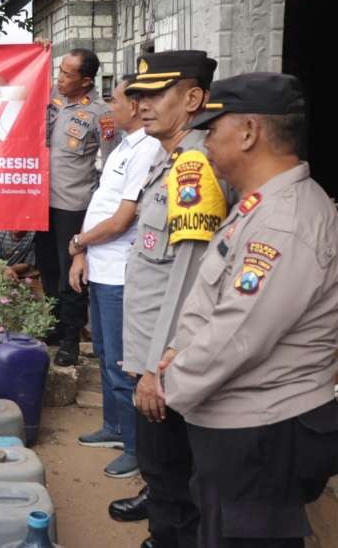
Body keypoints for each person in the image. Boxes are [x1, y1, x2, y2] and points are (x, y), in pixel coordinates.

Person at [161, 73, 338, 548]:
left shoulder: (284, 221)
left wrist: (169, 384)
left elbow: (240, 333)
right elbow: (214, 300)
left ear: (248, 132)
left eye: (212, 131)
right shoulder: (259, 206)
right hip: (242, 420)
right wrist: (177, 351)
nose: (207, 145)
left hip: (263, 430)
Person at [113, 50, 225, 548]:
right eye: (138, 95)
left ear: (194, 98)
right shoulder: (170, 158)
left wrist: (158, 367)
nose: (142, 105)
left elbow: (190, 278)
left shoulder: (194, 168)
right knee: (164, 465)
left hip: (168, 359)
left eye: (157, 94)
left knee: (173, 467)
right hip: (152, 353)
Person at [67, 78, 161, 479]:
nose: (109, 106)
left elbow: (123, 219)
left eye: (115, 99)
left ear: (138, 106)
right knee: (106, 354)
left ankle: (137, 447)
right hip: (101, 265)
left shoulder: (148, 149)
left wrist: (77, 242)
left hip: (123, 272)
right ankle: (115, 427)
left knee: (125, 362)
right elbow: (103, 204)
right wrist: (83, 252)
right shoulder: (124, 146)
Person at [36, 48, 118, 367]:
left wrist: (101, 203)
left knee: (72, 275)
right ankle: (53, 329)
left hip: (74, 205)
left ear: (86, 81)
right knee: (48, 268)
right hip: (41, 202)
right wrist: (38, 55)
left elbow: (112, 163)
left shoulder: (101, 113)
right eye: (59, 70)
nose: (60, 78)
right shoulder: (52, 97)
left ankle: (71, 338)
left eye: (67, 74)